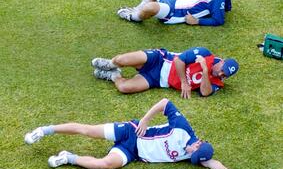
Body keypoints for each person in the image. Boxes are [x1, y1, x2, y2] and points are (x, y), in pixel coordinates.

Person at [24, 97, 243, 169]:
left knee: (104, 165)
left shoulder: (195, 155)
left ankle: (68, 158)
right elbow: (165, 103)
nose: (190, 156)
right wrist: (146, 120)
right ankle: (44, 130)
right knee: (89, 131)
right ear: (199, 143)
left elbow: (211, 162)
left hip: (133, 153)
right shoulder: (183, 129)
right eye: (194, 153)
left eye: (194, 158)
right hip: (132, 131)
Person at [92, 47, 239, 98]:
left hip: (158, 80)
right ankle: (110, 64)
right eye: (222, 70)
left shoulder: (217, 83)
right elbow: (179, 61)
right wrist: (184, 82)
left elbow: (205, 93)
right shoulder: (204, 54)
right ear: (221, 61)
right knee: (122, 59)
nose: (221, 74)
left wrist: (206, 72)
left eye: (224, 75)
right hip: (160, 59)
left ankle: (113, 74)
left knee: (124, 88)